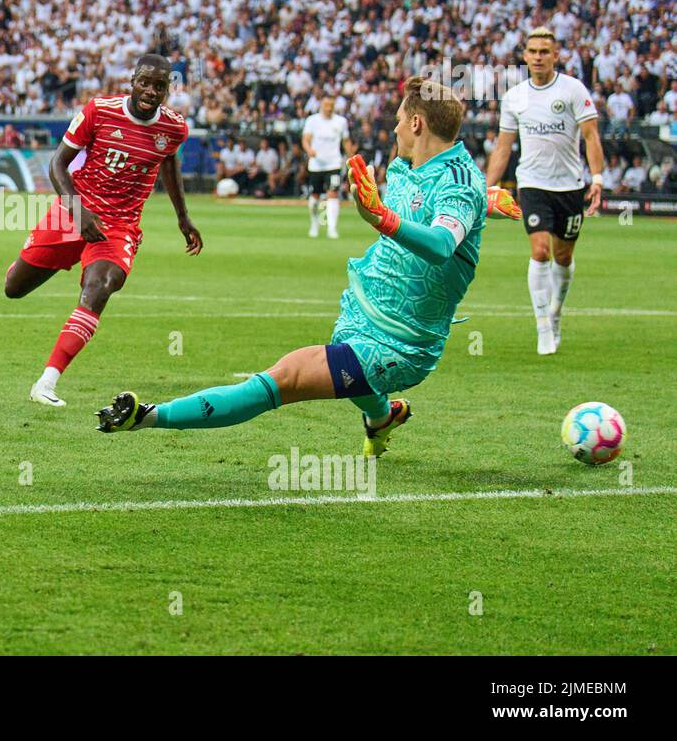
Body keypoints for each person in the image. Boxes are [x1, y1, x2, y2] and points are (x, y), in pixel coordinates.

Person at [95, 77, 522, 453]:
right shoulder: (407, 165)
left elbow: (444, 243)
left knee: (285, 378)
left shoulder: (460, 184)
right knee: (354, 379)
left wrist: (386, 218)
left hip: (400, 343)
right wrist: (487, 201)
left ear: (417, 124)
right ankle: (382, 418)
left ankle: (148, 416)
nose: (393, 127)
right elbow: (439, 202)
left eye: (398, 118)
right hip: (363, 309)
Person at [4, 54, 202, 408]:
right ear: (133, 80)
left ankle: (47, 382)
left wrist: (182, 216)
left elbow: (169, 160)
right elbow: (58, 164)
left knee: (101, 286)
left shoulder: (174, 127)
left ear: (168, 90)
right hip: (75, 209)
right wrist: (79, 212)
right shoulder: (99, 110)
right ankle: (45, 254)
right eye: (145, 82)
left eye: (160, 86)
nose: (151, 91)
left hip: (119, 225)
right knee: (14, 289)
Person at [484, 27, 605, 355]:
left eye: (544, 52)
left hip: (569, 186)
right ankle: (542, 326)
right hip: (533, 184)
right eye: (533, 51)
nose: (538, 57)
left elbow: (591, 136)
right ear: (525, 56)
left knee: (563, 257)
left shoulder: (573, 90)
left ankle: (555, 313)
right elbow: (503, 147)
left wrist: (597, 178)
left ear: (555, 56)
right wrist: (488, 186)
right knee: (540, 251)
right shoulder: (515, 97)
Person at [302, 95, 355, 238]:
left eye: (331, 105)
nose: (328, 108)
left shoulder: (340, 122)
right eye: (326, 105)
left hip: (333, 163)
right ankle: (314, 223)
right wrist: (309, 150)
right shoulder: (312, 121)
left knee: (333, 194)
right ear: (321, 105)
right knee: (314, 197)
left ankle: (332, 228)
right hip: (316, 165)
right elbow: (305, 139)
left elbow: (346, 141)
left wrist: (351, 158)